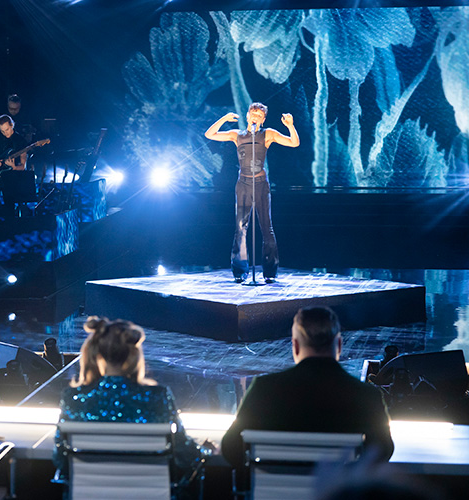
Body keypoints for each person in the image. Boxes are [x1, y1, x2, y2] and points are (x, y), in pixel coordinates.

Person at [220, 306, 394, 467]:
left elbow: (230, 447)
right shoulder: (366, 395)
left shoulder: (264, 389)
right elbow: (383, 451)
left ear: (295, 346)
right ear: (339, 345)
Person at [54, 317, 205, 496]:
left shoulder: (75, 398)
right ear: (134, 354)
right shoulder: (157, 397)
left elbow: (60, 459)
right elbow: (186, 455)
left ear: (99, 353)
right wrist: (204, 450)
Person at [204, 103, 299, 283]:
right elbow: (209, 135)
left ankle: (270, 272)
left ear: (263, 119)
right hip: (243, 184)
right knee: (241, 228)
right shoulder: (237, 135)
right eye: (253, 113)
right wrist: (224, 119)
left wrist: (290, 126)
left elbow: (294, 143)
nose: (255, 116)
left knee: (267, 227)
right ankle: (240, 271)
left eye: (259, 114)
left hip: (261, 184)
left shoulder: (267, 134)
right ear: (247, 116)